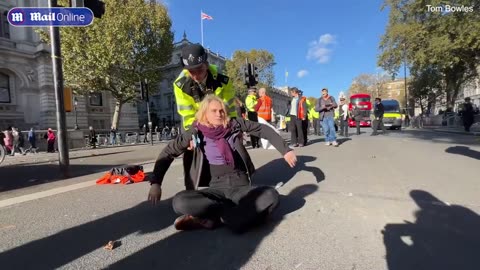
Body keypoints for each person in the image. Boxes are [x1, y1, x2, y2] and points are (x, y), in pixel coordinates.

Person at [148, 95, 297, 233]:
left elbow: (262, 129)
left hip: (241, 186)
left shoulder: (234, 124)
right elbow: (168, 153)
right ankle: (235, 218)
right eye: (214, 111)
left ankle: (214, 219)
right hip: (216, 188)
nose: (219, 114)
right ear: (204, 113)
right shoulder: (195, 133)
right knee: (180, 202)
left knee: (271, 195)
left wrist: (286, 151)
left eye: (222, 111)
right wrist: (156, 183)